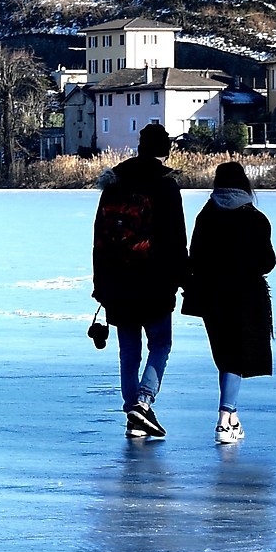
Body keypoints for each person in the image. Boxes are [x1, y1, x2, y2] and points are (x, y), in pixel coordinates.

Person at [92, 122, 188, 441]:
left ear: (139, 146)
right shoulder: (166, 187)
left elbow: (100, 239)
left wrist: (101, 284)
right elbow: (176, 239)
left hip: (117, 281)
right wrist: (183, 277)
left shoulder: (114, 184)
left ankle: (132, 412)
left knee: (128, 350)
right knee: (161, 343)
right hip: (154, 279)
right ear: (164, 149)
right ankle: (143, 404)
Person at [184, 159, 275, 444]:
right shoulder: (255, 218)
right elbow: (267, 261)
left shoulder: (205, 216)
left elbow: (194, 256)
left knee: (226, 355)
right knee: (236, 356)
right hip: (246, 296)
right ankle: (225, 419)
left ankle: (231, 417)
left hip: (211, 296)